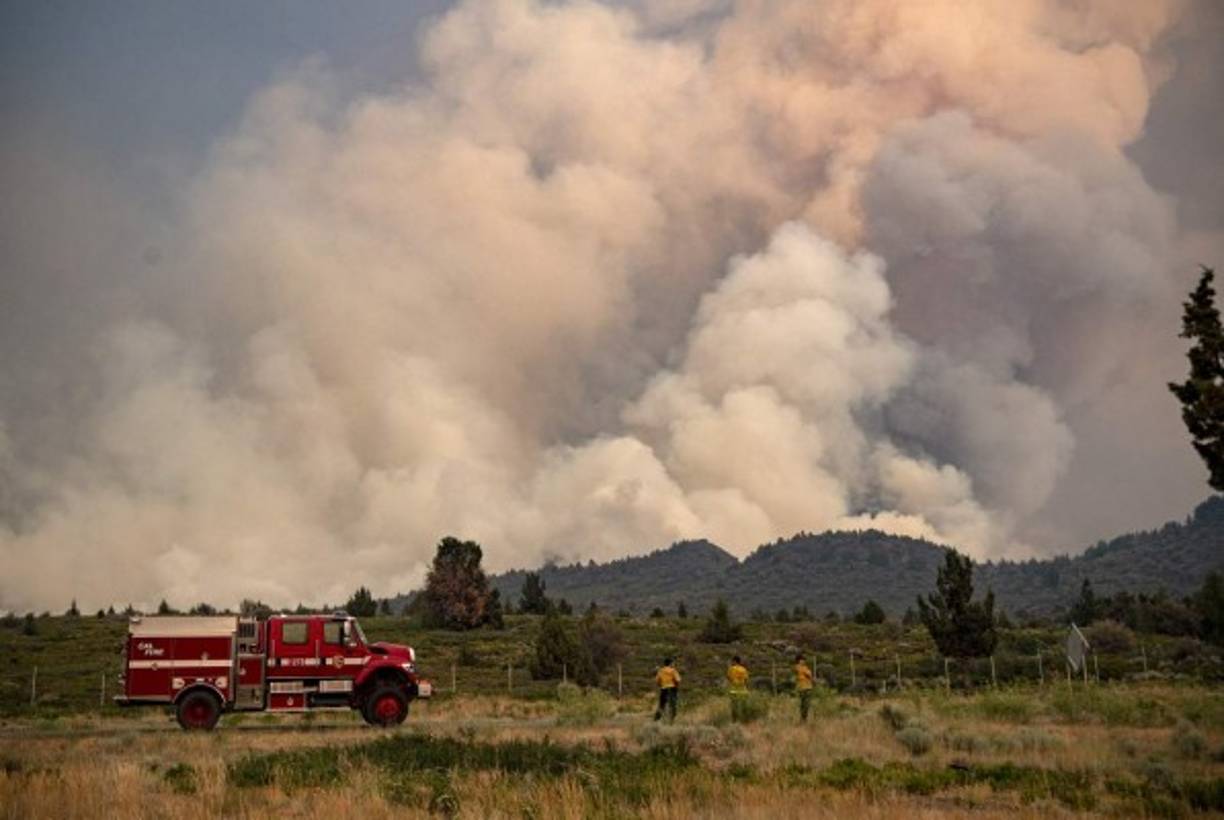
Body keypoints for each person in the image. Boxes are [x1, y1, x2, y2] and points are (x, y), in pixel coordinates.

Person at [654, 657, 681, 723]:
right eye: (673, 663)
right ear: (670, 663)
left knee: (661, 705)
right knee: (673, 705)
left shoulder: (660, 671)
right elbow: (678, 680)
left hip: (663, 689)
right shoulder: (673, 670)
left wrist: (661, 685)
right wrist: (676, 685)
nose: (674, 664)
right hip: (672, 689)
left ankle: (656, 719)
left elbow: (657, 681)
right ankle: (672, 720)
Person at [727, 655, 749, 722]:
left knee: (734, 706)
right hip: (743, 691)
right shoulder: (744, 669)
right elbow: (746, 680)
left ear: (735, 661)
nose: (731, 662)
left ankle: (734, 721)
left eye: (732, 661)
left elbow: (729, 678)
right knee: (744, 706)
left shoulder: (731, 669)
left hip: (734, 691)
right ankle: (744, 720)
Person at [794, 653, 814, 722]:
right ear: (799, 660)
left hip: (805, 687)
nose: (803, 661)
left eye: (804, 660)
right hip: (804, 688)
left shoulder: (801, 667)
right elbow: (809, 674)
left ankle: (803, 719)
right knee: (805, 705)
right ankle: (803, 719)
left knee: (805, 705)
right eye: (802, 660)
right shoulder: (800, 667)